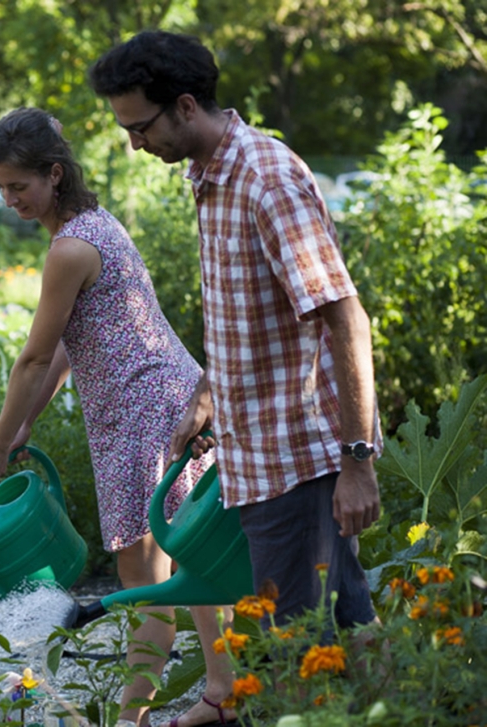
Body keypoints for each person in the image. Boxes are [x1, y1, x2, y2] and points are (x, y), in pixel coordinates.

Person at [90, 30, 383, 725]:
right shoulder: (210, 176)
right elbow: (254, 310)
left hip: (300, 461)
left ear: (185, 106)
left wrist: (357, 461)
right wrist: (208, 393)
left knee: (293, 648)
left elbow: (346, 320)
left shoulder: (265, 180)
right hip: (254, 458)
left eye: (139, 126)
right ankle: (410, 708)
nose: (135, 143)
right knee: (347, 619)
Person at [0, 107, 234, 727]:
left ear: (55, 175)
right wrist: (22, 427)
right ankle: (218, 689)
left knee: (153, 573)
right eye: (0, 186)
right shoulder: (93, 226)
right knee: (186, 560)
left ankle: (158, 709)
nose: (8, 200)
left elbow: (29, 360)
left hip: (148, 415)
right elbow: (61, 349)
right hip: (158, 404)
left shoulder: (71, 249)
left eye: (18, 186)